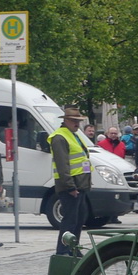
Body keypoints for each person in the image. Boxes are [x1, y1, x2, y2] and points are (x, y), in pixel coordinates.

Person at [48, 108, 94, 254]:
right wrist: (70, 187)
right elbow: (63, 166)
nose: (77, 124)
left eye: (78, 121)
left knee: (79, 220)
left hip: (80, 184)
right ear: (65, 120)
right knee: (69, 221)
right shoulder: (60, 137)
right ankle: (63, 251)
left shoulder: (73, 135)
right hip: (71, 186)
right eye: (74, 121)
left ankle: (73, 248)